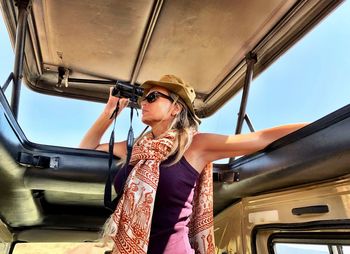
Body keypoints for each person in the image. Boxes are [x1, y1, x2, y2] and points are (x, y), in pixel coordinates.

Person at [78, 74, 308, 254]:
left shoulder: (195, 145)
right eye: (142, 98)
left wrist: (330, 124)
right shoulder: (138, 148)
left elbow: (260, 139)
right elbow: (86, 150)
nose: (143, 103)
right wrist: (109, 111)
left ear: (176, 107)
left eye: (152, 97)